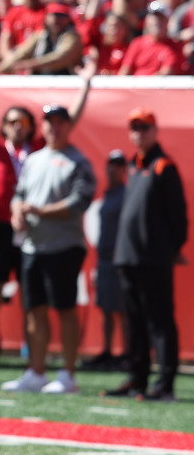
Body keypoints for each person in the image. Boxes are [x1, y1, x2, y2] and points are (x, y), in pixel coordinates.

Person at [0, 46, 91, 381]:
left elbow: (68, 120)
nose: (18, 126)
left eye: (23, 122)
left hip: (34, 231)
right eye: (12, 122)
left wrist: (86, 84)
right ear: (4, 126)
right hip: (1, 229)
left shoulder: (41, 151)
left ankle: (37, 367)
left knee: (37, 304)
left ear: (33, 127)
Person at [1, 104, 95, 394]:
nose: (54, 127)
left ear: (68, 126)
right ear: (42, 127)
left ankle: (68, 374)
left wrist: (39, 211)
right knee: (34, 311)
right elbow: (19, 194)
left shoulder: (78, 161)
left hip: (63, 245)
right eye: (49, 122)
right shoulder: (34, 159)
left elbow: (79, 202)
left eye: (59, 122)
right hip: (32, 246)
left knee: (65, 310)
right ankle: (36, 371)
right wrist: (17, 211)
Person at [106, 108, 187, 402]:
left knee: (160, 321)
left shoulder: (163, 167)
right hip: (128, 258)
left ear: (154, 131)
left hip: (153, 259)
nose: (139, 134)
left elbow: (178, 217)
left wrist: (169, 249)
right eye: (134, 128)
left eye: (144, 128)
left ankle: (165, 383)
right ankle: (137, 377)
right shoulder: (132, 166)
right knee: (135, 321)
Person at [83, 149, 130, 372]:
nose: (114, 169)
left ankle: (128, 353)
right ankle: (108, 350)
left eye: (119, 165)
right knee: (106, 307)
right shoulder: (109, 194)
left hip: (119, 261)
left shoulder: (126, 194)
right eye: (111, 164)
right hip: (104, 260)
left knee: (122, 309)